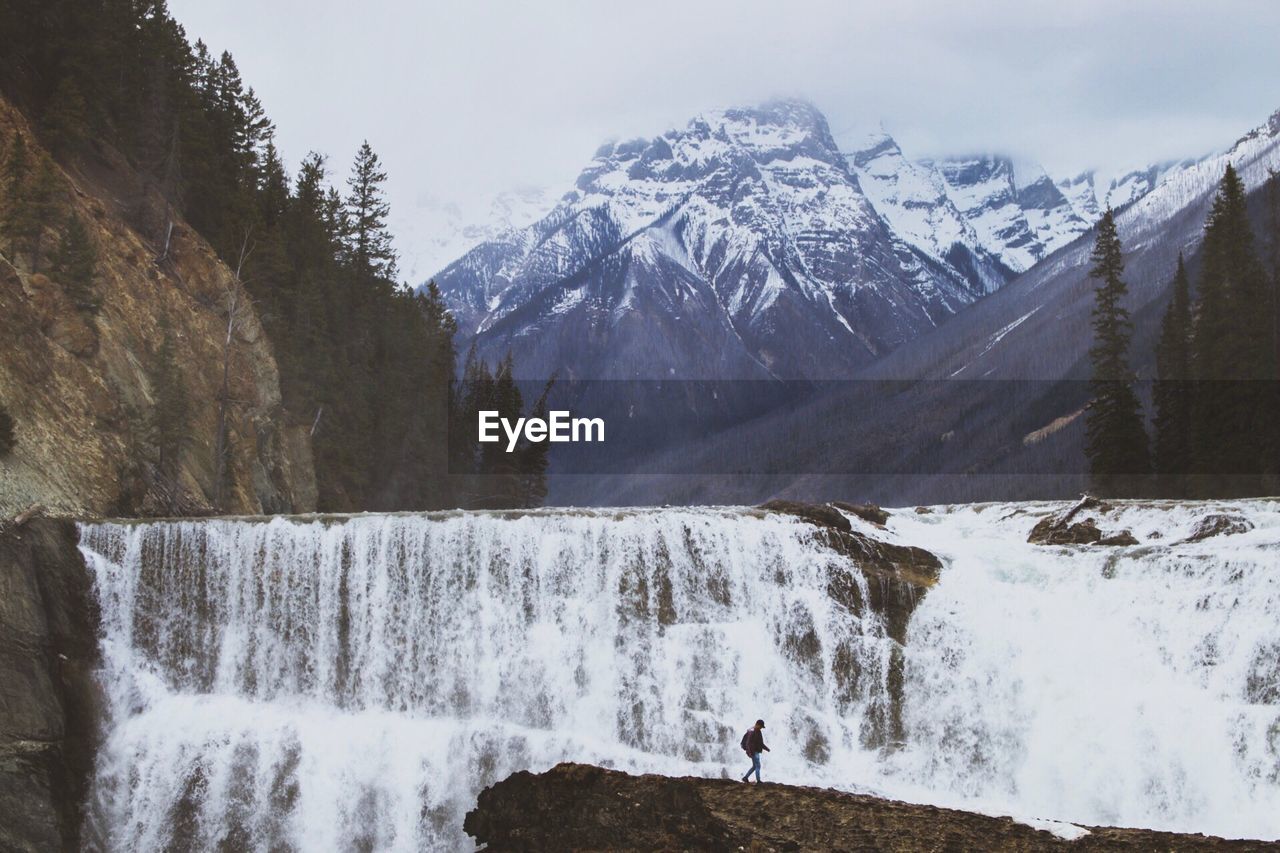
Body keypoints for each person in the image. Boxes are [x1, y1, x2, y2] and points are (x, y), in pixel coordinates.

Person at [741, 719, 769, 783]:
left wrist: (767, 749)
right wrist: (750, 752)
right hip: (754, 752)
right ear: (757, 724)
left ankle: (745, 778)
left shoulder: (758, 731)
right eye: (761, 726)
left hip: (755, 751)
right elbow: (748, 743)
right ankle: (758, 781)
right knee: (758, 766)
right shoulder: (752, 731)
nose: (761, 728)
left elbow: (760, 743)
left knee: (754, 766)